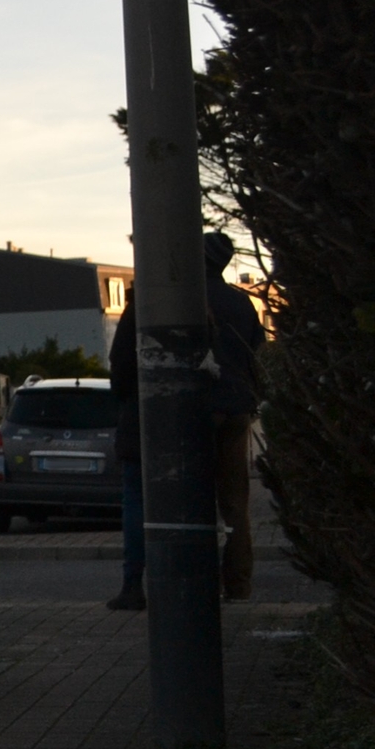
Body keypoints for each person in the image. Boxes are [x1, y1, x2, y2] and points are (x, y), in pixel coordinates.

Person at [106, 231, 265, 611]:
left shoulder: (164, 296)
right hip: (236, 410)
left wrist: (129, 399)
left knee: (176, 499)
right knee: (234, 501)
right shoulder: (241, 303)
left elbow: (123, 362)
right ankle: (238, 585)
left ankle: (161, 583)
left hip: (182, 411)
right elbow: (256, 354)